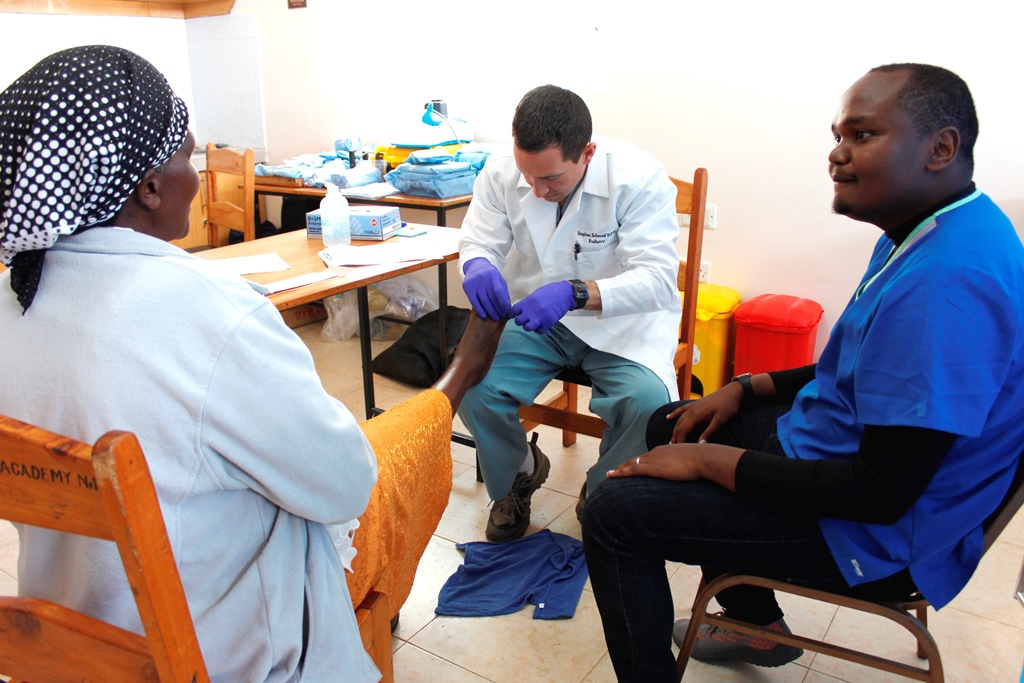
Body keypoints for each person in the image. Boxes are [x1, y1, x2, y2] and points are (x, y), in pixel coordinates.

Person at [582, 63, 1024, 682]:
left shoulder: (947, 283)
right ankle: (758, 627)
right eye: (838, 135)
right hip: (849, 455)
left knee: (613, 514)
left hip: (878, 531)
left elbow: (879, 494)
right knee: (675, 424)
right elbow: (868, 362)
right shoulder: (931, 226)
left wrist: (710, 464)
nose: (836, 154)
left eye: (862, 135)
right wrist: (745, 387)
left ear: (940, 148)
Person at [0, 46, 380, 682]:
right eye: (186, 156)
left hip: (69, 649)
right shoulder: (210, 314)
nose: (196, 176)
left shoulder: (12, 298)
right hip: (215, 659)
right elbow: (344, 483)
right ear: (148, 187)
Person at [457, 84, 682, 542]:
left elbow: (658, 279)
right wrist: (477, 263)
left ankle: (603, 492)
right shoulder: (501, 171)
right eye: (527, 174)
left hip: (621, 323)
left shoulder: (638, 179)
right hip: (539, 318)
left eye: (551, 178)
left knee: (649, 406)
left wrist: (577, 292)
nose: (536, 190)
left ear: (587, 153)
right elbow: (480, 238)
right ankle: (518, 475)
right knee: (472, 385)